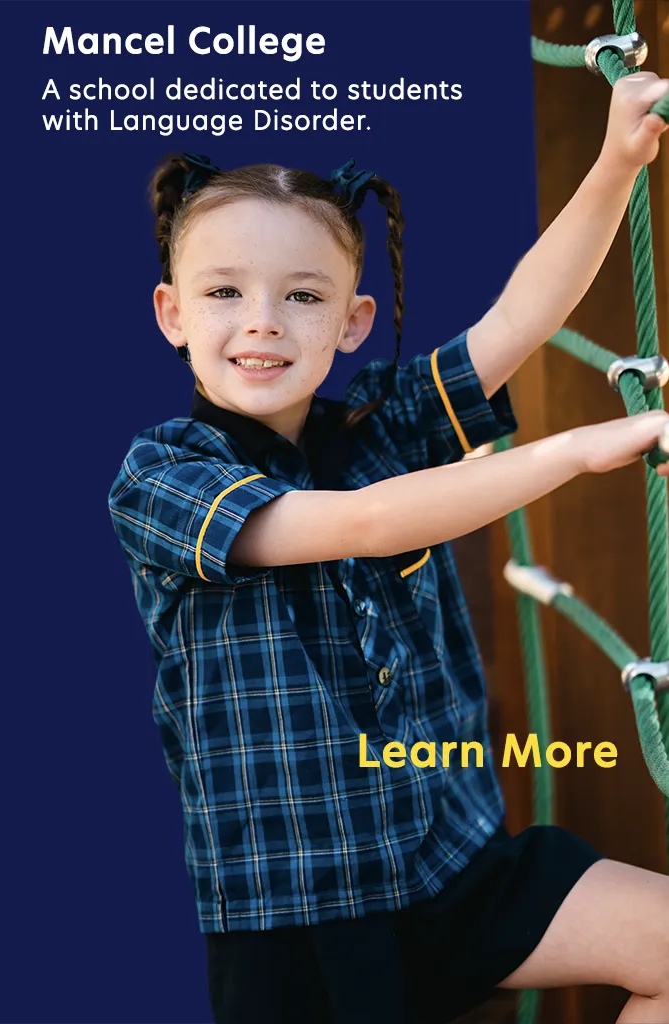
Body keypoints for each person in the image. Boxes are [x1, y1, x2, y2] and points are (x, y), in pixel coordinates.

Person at [108, 71, 669, 1024]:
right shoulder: (162, 475)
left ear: (351, 322)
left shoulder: (379, 424)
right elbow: (367, 524)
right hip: (302, 912)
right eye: (224, 292)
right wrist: (573, 451)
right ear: (172, 314)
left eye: (301, 295)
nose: (261, 321)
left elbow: (520, 319)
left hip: (445, 861)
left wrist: (616, 162)